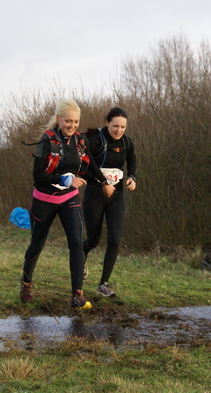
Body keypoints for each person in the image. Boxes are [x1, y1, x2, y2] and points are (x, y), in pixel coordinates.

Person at [19, 100, 114, 309]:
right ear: (59, 119)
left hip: (69, 199)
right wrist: (65, 180)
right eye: (68, 121)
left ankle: (77, 295)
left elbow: (90, 165)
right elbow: (38, 176)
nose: (72, 125)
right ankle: (26, 284)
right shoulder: (46, 141)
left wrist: (104, 182)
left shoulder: (80, 141)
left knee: (76, 244)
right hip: (44, 200)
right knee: (37, 245)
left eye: (76, 122)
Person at [83, 107, 137, 298]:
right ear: (107, 123)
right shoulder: (96, 140)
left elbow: (132, 161)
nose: (119, 130)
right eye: (115, 126)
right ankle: (81, 256)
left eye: (122, 127)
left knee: (115, 239)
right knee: (94, 240)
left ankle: (103, 284)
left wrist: (132, 177)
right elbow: (86, 164)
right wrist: (103, 182)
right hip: (95, 194)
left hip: (116, 196)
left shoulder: (126, 142)